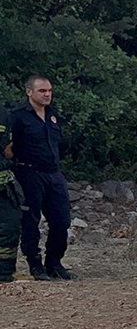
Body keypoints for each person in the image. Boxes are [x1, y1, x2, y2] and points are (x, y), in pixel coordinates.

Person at [9, 75, 75, 280]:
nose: (47, 95)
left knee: (61, 220)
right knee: (30, 221)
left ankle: (54, 263)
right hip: (29, 173)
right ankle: (35, 265)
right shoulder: (18, 116)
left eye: (49, 91)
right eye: (42, 91)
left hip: (53, 174)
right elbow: (8, 148)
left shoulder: (53, 115)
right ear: (29, 92)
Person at [0, 115, 23, 283]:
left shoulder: (4, 114)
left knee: (10, 227)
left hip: (5, 186)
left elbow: (9, 150)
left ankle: (4, 273)